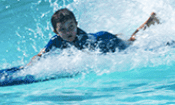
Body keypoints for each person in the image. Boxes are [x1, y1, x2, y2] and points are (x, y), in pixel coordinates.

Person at [28, 8, 160, 65]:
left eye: (71, 28)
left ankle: (150, 25)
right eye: (62, 30)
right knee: (130, 41)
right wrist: (30, 65)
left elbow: (92, 57)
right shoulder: (55, 41)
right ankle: (150, 22)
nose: (68, 32)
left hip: (107, 40)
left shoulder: (82, 38)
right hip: (101, 39)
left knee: (131, 45)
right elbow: (41, 54)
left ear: (76, 25)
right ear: (56, 32)